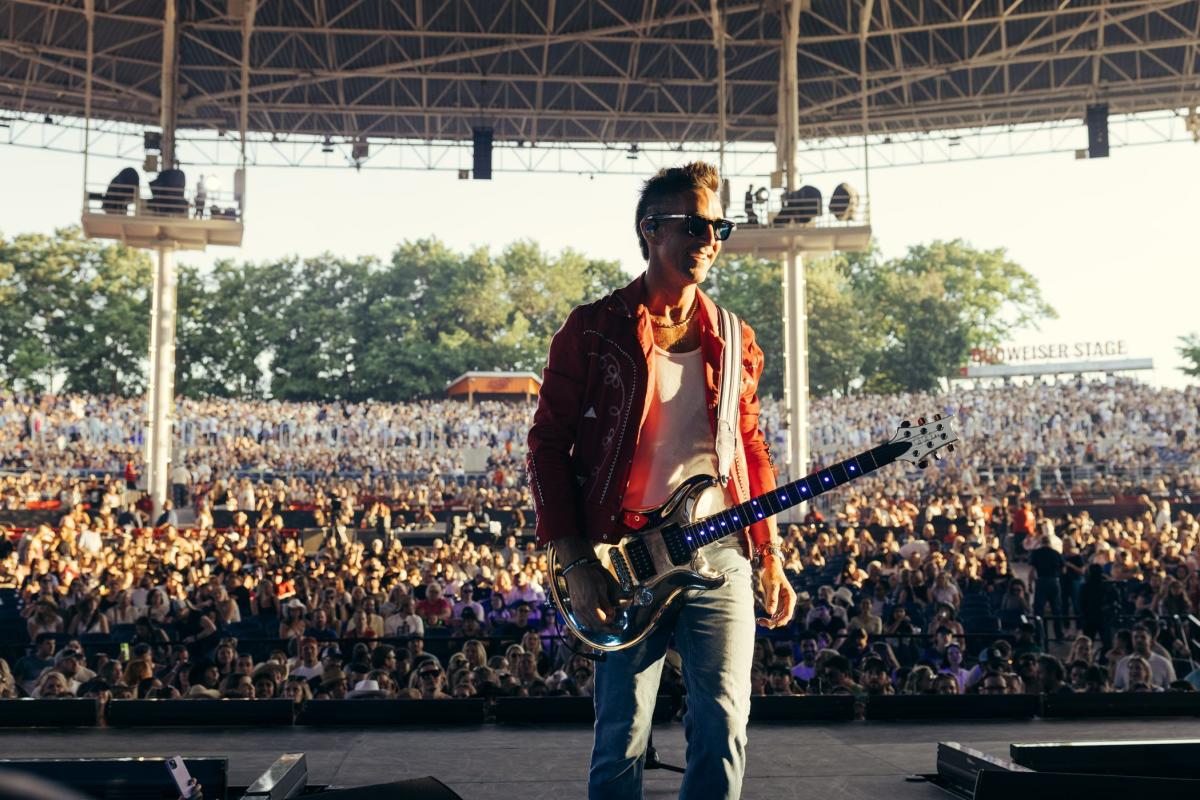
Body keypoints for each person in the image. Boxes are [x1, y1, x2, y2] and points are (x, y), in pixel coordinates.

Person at [526, 162, 795, 800]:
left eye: (720, 227)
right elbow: (546, 446)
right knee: (622, 734)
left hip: (721, 555)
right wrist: (575, 561)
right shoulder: (591, 330)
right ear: (650, 230)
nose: (711, 239)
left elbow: (750, 448)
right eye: (695, 225)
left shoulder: (735, 338)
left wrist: (770, 552)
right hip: (626, 558)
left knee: (726, 722)